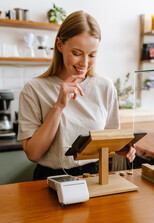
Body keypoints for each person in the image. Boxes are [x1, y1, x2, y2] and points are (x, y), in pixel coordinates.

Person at [17, 10, 136, 180]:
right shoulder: (34, 89)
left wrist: (122, 148)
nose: (85, 63)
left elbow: (108, 142)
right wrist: (58, 106)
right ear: (59, 45)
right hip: (49, 179)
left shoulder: (105, 86)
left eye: (92, 55)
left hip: (94, 176)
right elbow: (33, 154)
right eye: (77, 53)